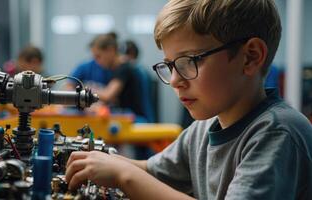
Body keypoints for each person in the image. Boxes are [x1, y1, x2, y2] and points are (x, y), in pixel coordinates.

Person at [65, 0, 312, 199]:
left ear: (250, 57)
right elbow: (153, 172)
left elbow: (135, 176)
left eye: (189, 61)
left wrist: (124, 175)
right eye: (170, 65)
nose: (174, 80)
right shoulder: (203, 129)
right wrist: (97, 159)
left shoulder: (278, 133)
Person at [88, 33, 147, 122]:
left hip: (137, 121)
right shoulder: (114, 70)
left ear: (110, 50)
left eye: (98, 56)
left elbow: (108, 95)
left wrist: (85, 90)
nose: (96, 62)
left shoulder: (124, 68)